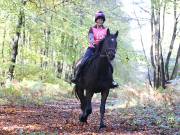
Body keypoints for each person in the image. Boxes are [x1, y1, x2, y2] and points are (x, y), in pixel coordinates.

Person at [71, 11, 118, 88]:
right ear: (96, 20)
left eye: (101, 20)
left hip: (102, 51)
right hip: (92, 49)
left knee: (110, 66)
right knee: (83, 62)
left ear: (103, 21)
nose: (100, 21)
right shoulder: (92, 29)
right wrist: (95, 44)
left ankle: (111, 81)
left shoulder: (106, 30)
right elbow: (90, 39)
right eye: (98, 19)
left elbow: (108, 41)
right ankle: (77, 77)